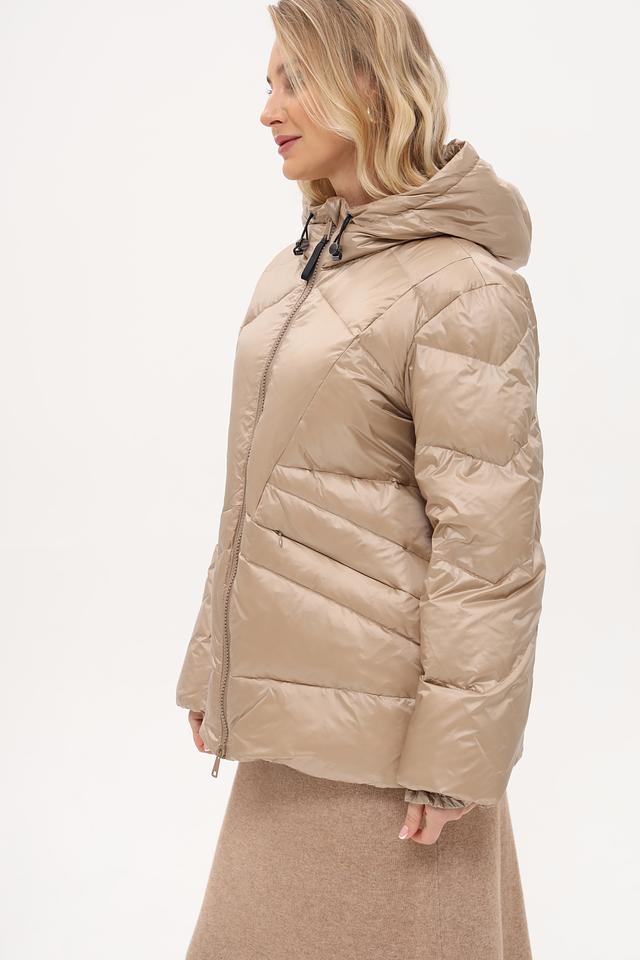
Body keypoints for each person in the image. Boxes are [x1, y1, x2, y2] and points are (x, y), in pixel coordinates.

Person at [176, 1, 546, 957]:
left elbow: (490, 547)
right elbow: (257, 495)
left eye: (293, 80)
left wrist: (456, 757)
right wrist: (213, 662)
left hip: (394, 756)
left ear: (371, 86)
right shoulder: (297, 271)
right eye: (268, 83)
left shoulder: (465, 288)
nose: (268, 109)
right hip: (286, 728)